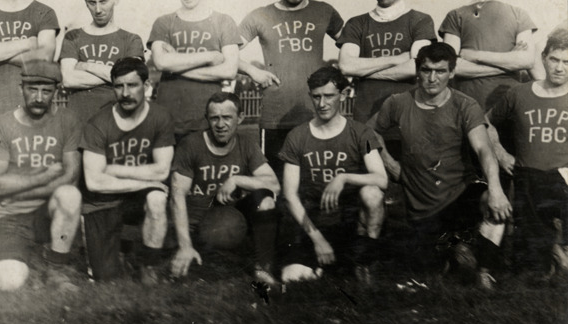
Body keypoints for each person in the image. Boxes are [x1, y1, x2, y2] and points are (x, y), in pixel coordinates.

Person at [373, 42, 512, 288]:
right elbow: (367, 134)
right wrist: (390, 163)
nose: (432, 78)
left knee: (493, 203)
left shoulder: (465, 105)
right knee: (429, 273)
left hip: (460, 194)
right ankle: (456, 248)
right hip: (422, 206)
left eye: (440, 71)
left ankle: (484, 271)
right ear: (417, 71)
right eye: (426, 70)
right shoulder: (397, 103)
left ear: (452, 72)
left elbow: (483, 149)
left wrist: (496, 190)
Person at [279, 67, 388, 282]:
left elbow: (381, 178)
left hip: (352, 219)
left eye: (329, 96)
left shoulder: (361, 133)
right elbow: (290, 195)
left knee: (372, 193)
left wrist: (344, 177)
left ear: (343, 95)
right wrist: (318, 239)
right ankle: (336, 265)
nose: (322, 103)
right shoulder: (297, 136)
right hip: (316, 219)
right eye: (316, 97)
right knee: (289, 276)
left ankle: (366, 257)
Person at [237, 0, 344, 174]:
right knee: (275, 181)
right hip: (275, 115)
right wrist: (252, 71)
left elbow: (352, 46)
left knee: (316, 178)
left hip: (316, 111)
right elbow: (226, 51)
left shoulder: (324, 11)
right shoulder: (261, 15)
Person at [0, 61, 84, 291]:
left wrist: (19, 189)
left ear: (56, 92)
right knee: (9, 283)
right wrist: (44, 177)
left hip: (46, 211)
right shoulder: (3, 123)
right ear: (21, 89)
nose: (39, 97)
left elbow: (70, 176)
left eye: (46, 91)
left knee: (69, 195)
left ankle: (56, 269)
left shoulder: (68, 120)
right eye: (32, 89)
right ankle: (32, 263)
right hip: (9, 215)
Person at [81, 57, 175, 283]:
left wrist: (112, 169)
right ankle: (121, 248)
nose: (125, 93)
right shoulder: (98, 123)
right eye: (119, 86)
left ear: (147, 85)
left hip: (134, 195)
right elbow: (94, 182)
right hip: (105, 199)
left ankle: (149, 264)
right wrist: (144, 182)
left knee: (156, 198)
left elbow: (161, 171)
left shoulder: (160, 117)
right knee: (105, 277)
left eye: (132, 85)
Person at [169, 93, 280, 282]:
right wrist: (185, 246)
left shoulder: (246, 144)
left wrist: (237, 179)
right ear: (207, 119)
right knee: (202, 273)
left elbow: (274, 184)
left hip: (231, 221)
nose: (220, 124)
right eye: (215, 118)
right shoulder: (191, 144)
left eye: (227, 117)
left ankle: (263, 269)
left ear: (240, 118)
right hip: (198, 225)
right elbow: (176, 196)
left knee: (265, 199)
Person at [337, 0, 436, 165]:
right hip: (366, 118)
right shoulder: (356, 23)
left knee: (412, 178)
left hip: (409, 118)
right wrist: (397, 59)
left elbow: (415, 68)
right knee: (374, 180)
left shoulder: (420, 20)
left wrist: (363, 71)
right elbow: (345, 66)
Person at [488, 27, 568, 278]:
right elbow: (486, 123)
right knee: (531, 271)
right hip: (529, 178)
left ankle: (560, 248)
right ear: (543, 58)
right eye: (554, 59)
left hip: (563, 177)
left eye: (567, 62)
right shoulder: (519, 93)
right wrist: (500, 153)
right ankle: (550, 252)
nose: (559, 67)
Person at [148, 0, 240, 140]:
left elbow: (229, 70)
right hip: (168, 118)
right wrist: (210, 56)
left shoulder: (224, 22)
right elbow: (161, 62)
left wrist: (176, 65)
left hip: (208, 119)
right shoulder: (164, 22)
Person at [440, 0, 538, 113]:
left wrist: (475, 56)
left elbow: (527, 60)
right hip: (466, 103)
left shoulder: (519, 14)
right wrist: (510, 63)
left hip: (509, 104)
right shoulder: (456, 16)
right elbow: (451, 66)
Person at [59, 0, 146, 122]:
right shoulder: (73, 37)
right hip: (79, 121)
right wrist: (116, 74)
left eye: (103, 2)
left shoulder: (131, 39)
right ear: (86, 2)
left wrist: (87, 66)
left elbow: (130, 79)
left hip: (117, 121)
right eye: (92, 3)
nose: (98, 10)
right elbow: (68, 79)